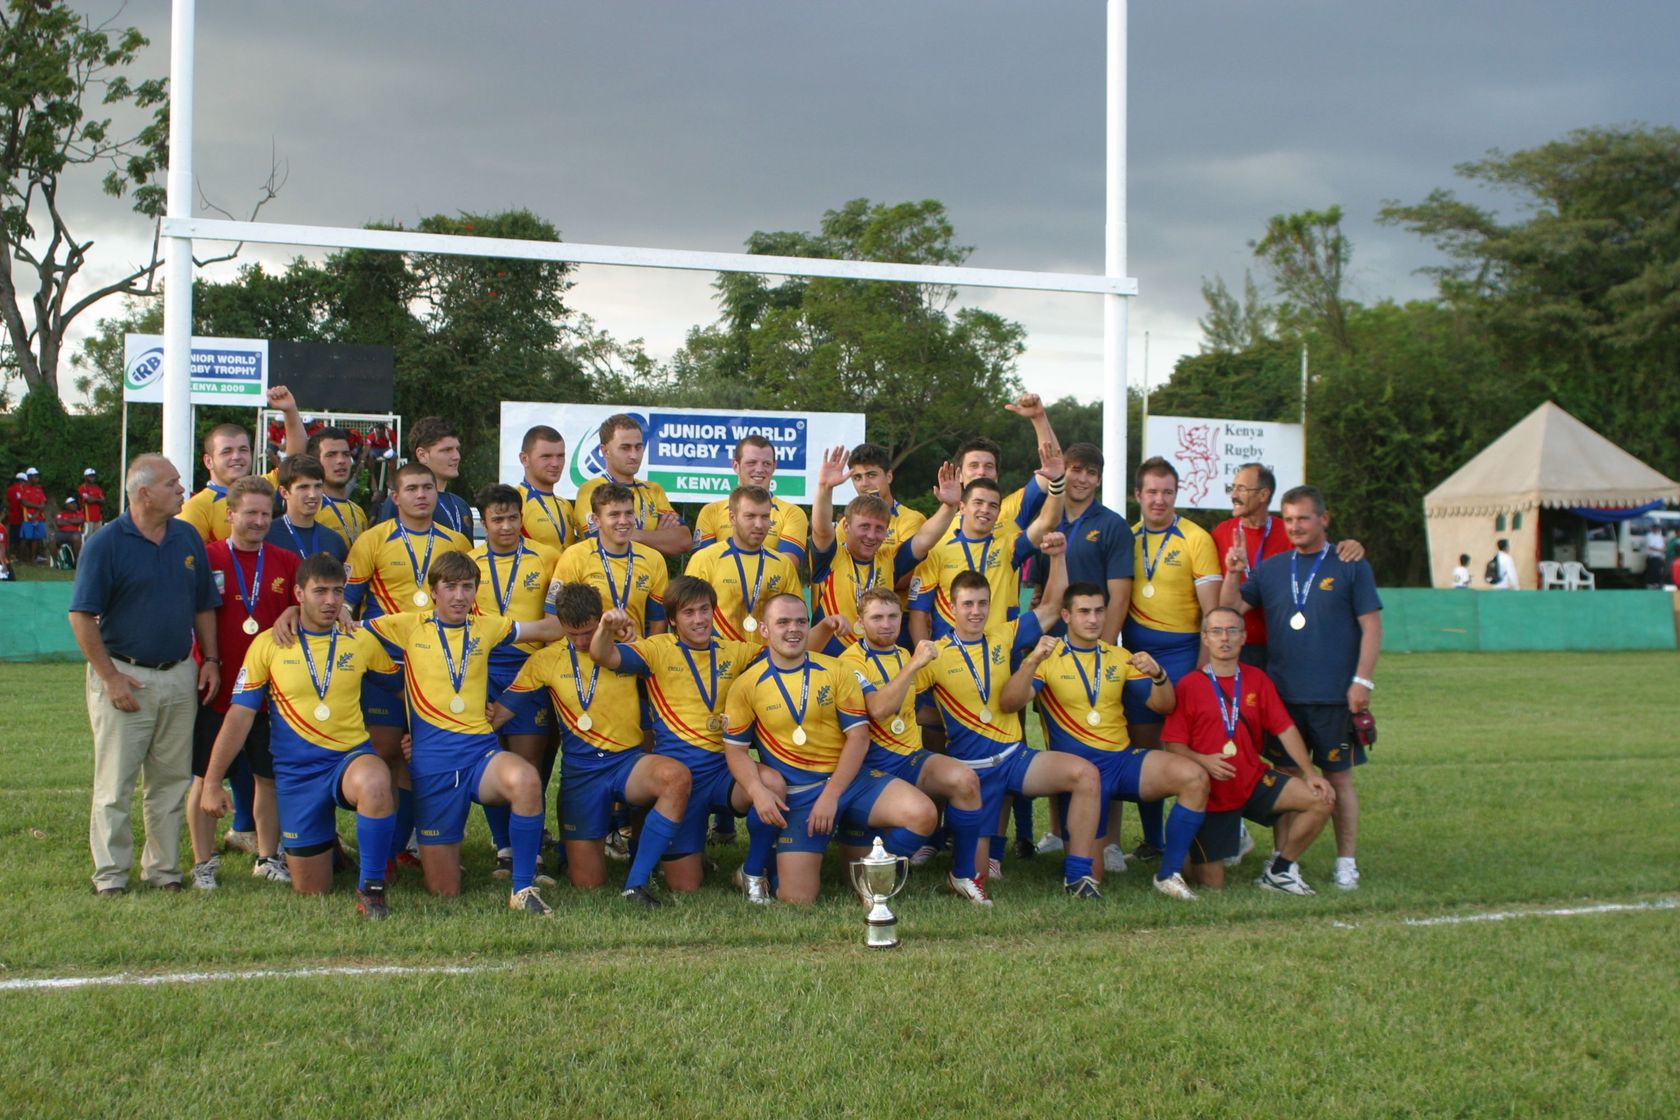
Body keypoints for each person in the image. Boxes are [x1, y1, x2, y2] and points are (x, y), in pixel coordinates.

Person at [894, 535, 1108, 896]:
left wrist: (1057, 556)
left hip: (1014, 758)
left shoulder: (1004, 635)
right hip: (973, 772)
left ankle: (1078, 876)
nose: (976, 611)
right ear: (951, 605)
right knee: (975, 878)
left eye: (982, 603)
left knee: (1085, 774)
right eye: (968, 604)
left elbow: (1055, 606)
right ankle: (959, 862)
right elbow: (898, 702)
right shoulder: (934, 654)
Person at [362, 551, 566, 914]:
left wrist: (599, 624)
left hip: (479, 756)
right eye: (451, 587)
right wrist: (292, 612)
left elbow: (546, 629)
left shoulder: (488, 627)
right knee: (443, 890)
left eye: (467, 587)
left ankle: (522, 888)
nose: (459, 596)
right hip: (432, 765)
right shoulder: (407, 626)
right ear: (434, 591)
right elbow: (345, 628)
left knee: (526, 780)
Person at [1000, 580, 1211, 900]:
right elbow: (1010, 703)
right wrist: (1031, 661)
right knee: (1093, 874)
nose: (1093, 619)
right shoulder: (1050, 656)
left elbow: (1164, 705)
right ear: (1067, 616)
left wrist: (1159, 675)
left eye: (1099, 611)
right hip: (1081, 774)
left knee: (1193, 777)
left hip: (1122, 762)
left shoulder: (1118, 656)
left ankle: (1168, 874)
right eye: (1084, 612)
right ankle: (1081, 873)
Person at [725, 593, 940, 905]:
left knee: (922, 814)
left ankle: (874, 876)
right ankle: (765, 866)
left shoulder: (836, 670)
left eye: (800, 621)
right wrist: (757, 791)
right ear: (764, 630)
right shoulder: (746, 685)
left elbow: (859, 738)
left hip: (849, 782)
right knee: (798, 899)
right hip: (799, 795)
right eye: (782, 622)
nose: (793, 629)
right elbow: (736, 751)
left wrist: (832, 794)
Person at [69, 454, 221, 895]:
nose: (182, 490)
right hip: (124, 674)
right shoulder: (106, 544)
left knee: (171, 781)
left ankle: (164, 871)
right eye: (173, 483)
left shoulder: (187, 537)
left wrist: (210, 660)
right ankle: (111, 876)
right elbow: (82, 617)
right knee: (114, 784)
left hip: (179, 674)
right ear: (144, 493)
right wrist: (110, 678)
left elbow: (203, 605)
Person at [1222, 484, 1382, 890]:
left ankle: (1346, 861)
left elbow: (1371, 626)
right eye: (1289, 519)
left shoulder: (1350, 564)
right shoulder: (1274, 569)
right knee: (1287, 779)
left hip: (1334, 696)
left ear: (1323, 519)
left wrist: (1362, 680)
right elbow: (1227, 611)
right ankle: (1283, 860)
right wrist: (1234, 570)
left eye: (1303, 518)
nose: (1294, 526)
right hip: (1283, 697)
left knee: (1340, 779)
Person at [495, 584, 690, 908]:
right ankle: (571, 852)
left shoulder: (625, 651)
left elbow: (660, 667)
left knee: (676, 777)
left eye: (588, 631)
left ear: (600, 621)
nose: (583, 642)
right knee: (588, 883)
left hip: (628, 763)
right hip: (581, 774)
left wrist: (631, 637)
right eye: (573, 635)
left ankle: (637, 881)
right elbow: (502, 712)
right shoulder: (544, 661)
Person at [589, 575, 787, 892]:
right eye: (689, 612)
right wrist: (605, 628)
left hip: (724, 774)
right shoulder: (656, 650)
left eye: (704, 610)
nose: (699, 619)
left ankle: (751, 873)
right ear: (672, 619)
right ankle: (657, 869)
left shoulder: (734, 651)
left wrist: (823, 628)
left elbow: (786, 655)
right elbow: (603, 655)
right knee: (686, 886)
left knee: (773, 782)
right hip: (680, 782)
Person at [343, 461, 472, 870]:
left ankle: (412, 844)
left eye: (428, 488)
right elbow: (348, 601)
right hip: (386, 665)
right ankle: (381, 853)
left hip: (437, 667)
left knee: (426, 755)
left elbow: (469, 603)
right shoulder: (371, 540)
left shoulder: (456, 541)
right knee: (384, 754)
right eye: (412, 488)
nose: (422, 495)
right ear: (395, 497)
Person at [1162, 606, 1335, 894]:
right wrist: (1203, 760)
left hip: (1253, 780)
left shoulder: (1257, 680)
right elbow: (1173, 744)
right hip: (1213, 794)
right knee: (1212, 884)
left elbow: (1285, 729)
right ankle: (1189, 853)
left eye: (1232, 630)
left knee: (1321, 800)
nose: (1225, 638)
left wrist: (1310, 772)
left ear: (1243, 637)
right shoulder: (1190, 685)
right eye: (1216, 631)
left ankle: (1280, 871)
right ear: (1205, 638)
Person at [185, 476, 301, 889]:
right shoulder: (208, 557)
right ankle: (203, 862)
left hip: (270, 694)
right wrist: (207, 660)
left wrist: (292, 611)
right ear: (229, 514)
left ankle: (268, 857)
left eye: (265, 514)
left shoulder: (286, 561)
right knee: (204, 775)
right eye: (249, 513)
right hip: (218, 688)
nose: (258, 521)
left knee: (266, 778)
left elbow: (302, 605)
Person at [845, 587, 991, 903]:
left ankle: (962, 875)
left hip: (911, 757)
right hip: (870, 768)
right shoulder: (850, 661)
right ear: (860, 622)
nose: (886, 624)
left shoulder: (901, 654)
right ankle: (875, 876)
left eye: (893, 616)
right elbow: (880, 710)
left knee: (966, 780)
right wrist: (913, 665)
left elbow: (916, 706)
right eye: (877, 617)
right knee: (924, 815)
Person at [1118, 456, 1223, 868]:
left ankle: (1210, 834)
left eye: (1167, 492)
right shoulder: (1128, 538)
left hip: (1182, 656)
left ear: (1176, 495)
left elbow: (1211, 617)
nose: (1159, 500)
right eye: (1152, 492)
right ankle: (1152, 839)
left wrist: (1199, 673)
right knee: (1144, 748)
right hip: (1137, 657)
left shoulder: (1196, 538)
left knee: (1183, 749)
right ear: (1138, 495)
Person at [471, 483, 564, 874]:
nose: (506, 526)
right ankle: (504, 847)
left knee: (528, 761)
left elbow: (555, 625)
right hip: (480, 671)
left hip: (529, 671)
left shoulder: (548, 558)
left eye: (513, 518)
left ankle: (531, 848)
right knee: (490, 758)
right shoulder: (467, 561)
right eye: (498, 519)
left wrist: (506, 631)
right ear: (484, 521)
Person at [1212, 462, 1364, 668]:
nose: (1234, 495)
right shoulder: (1220, 533)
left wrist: (1350, 546)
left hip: (1284, 645)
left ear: (1264, 495)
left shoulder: (1289, 531)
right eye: (1233, 488)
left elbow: (1321, 555)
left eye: (1241, 489)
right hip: (1236, 646)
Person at [809, 447, 959, 652]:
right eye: (864, 527)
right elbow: (821, 530)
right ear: (846, 527)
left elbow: (924, 539)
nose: (871, 536)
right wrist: (825, 488)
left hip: (872, 657)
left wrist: (949, 507)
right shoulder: (831, 556)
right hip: (829, 658)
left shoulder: (888, 559)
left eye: (879, 529)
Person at [908, 460, 1064, 644]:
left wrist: (1057, 483)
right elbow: (918, 615)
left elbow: (1047, 522)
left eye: (992, 505)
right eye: (978, 502)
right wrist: (926, 664)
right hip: (950, 659)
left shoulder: (1009, 548)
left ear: (998, 512)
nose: (985, 510)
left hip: (996, 654)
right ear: (963, 507)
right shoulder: (937, 551)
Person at [179, 386, 306, 542]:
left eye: (243, 449)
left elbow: (295, 461)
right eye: (227, 451)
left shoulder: (263, 486)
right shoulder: (196, 508)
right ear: (208, 461)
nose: (237, 456)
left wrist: (290, 410)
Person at [684, 485, 803, 643]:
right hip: (719, 658)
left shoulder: (783, 564)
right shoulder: (704, 559)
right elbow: (688, 617)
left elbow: (796, 618)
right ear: (732, 518)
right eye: (750, 516)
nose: (759, 524)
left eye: (765, 517)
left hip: (766, 660)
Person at [554, 482, 669, 637]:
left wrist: (648, 654)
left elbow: (658, 620)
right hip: (588, 653)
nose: (623, 521)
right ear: (596, 520)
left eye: (628, 513)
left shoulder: (653, 559)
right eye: (614, 515)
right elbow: (556, 617)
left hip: (633, 651)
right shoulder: (574, 556)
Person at [571, 414, 692, 556]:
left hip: (649, 574)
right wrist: (657, 537)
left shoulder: (653, 490)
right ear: (605, 451)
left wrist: (636, 535)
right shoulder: (591, 490)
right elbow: (600, 540)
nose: (634, 455)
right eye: (625, 448)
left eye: (638, 447)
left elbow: (684, 540)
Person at [693, 434, 811, 566]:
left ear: (774, 466)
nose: (759, 469)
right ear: (735, 465)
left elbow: (785, 567)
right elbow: (703, 565)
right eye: (751, 463)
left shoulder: (792, 513)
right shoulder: (711, 512)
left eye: (766, 463)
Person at [377, 417, 475, 540]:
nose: (456, 456)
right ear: (422, 455)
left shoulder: (461, 505)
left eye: (457, 449)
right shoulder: (402, 501)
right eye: (447, 450)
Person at [265, 455, 349, 564]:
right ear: (284, 492)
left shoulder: (334, 541)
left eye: (318, 486)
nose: (313, 494)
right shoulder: (266, 536)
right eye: (304, 487)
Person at [305, 425, 371, 547]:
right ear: (315, 462)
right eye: (331, 455)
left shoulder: (358, 511)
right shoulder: (308, 510)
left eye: (346, 454)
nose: (341, 460)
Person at [514, 424, 575, 552]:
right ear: (524, 459)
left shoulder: (565, 505)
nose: (555, 464)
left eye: (560, 456)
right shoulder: (514, 501)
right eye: (546, 456)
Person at [17, 467, 48, 563]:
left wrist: (37, 512)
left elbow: (43, 502)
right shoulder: (23, 488)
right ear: (29, 477)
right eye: (35, 476)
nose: (37, 478)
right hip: (27, 518)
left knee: (36, 539)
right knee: (26, 538)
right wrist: (38, 507)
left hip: (38, 517)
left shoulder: (39, 489)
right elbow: (24, 502)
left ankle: (33, 559)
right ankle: (21, 559)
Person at [51, 497, 85, 565]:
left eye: (75, 503)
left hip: (74, 533)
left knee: (76, 537)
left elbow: (79, 521)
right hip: (61, 533)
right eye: (72, 504)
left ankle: (77, 561)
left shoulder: (79, 513)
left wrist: (66, 521)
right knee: (51, 539)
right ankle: (56, 561)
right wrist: (72, 521)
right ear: (67, 506)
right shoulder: (61, 514)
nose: (75, 505)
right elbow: (59, 523)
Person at [78, 468, 107, 537]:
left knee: (98, 537)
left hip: (98, 518)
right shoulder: (83, 488)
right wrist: (98, 499)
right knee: (88, 537)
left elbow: (103, 501)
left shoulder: (97, 488)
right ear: (85, 477)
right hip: (88, 518)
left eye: (93, 476)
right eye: (90, 476)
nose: (92, 478)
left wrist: (94, 499)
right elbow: (89, 500)